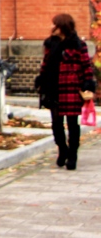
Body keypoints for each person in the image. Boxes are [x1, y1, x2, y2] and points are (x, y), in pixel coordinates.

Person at [35, 14, 96, 170]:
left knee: (72, 123)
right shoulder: (50, 44)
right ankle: (62, 149)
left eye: (54, 25)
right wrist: (41, 80)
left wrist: (87, 84)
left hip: (70, 88)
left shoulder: (78, 44)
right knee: (56, 123)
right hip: (53, 88)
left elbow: (86, 66)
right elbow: (45, 64)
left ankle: (73, 154)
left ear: (62, 27)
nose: (52, 28)